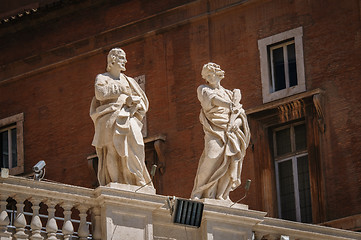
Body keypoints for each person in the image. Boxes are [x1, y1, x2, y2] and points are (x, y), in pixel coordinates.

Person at [90, 48, 153, 187]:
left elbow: (143, 101)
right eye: (122, 58)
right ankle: (116, 182)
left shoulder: (129, 81)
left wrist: (134, 101)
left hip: (127, 114)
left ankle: (137, 176)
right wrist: (121, 89)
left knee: (137, 143)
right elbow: (100, 94)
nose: (125, 61)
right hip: (108, 116)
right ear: (113, 60)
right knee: (112, 149)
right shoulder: (102, 78)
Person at [191, 62, 250, 201]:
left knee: (230, 160)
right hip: (215, 128)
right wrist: (230, 105)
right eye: (206, 76)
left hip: (232, 131)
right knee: (212, 155)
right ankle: (199, 190)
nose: (208, 78)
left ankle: (221, 194)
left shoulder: (230, 94)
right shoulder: (203, 89)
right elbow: (212, 100)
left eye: (211, 75)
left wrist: (236, 122)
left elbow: (241, 114)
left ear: (218, 74)